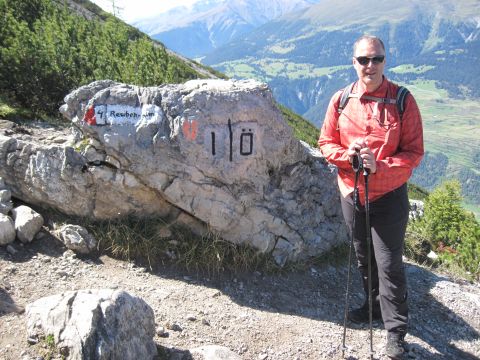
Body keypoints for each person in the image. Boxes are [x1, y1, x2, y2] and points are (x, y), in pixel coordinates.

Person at [318, 35, 424, 359]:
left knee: (389, 264)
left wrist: (381, 166)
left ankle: (396, 334)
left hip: (388, 195)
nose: (370, 65)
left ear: (384, 61)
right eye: (363, 60)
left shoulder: (402, 100)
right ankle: (372, 307)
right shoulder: (340, 100)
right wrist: (346, 156)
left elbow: (414, 153)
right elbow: (325, 142)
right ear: (354, 62)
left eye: (376, 59)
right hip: (352, 193)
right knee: (364, 257)